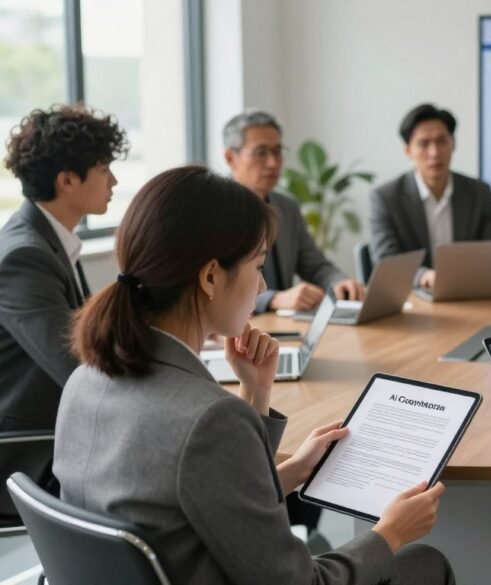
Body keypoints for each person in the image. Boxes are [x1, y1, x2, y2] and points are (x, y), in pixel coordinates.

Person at [53, 166, 454, 585]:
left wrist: (262, 404)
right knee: (423, 561)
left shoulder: (83, 380)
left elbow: (193, 499)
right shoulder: (210, 421)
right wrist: (389, 534)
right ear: (210, 276)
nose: (263, 285)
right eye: (258, 266)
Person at [0, 105, 126, 443]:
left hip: (66, 428)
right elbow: (78, 363)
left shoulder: (49, 238)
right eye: (104, 169)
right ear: (67, 179)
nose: (113, 181)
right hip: (34, 447)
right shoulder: (23, 257)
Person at [223, 109, 364, 313]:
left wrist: (340, 282)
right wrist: (273, 299)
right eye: (261, 152)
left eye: (277, 151)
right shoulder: (214, 210)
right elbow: (217, 285)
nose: (273, 163)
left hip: (283, 327)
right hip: (236, 329)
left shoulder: (287, 208)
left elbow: (315, 265)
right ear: (230, 158)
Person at [369, 103, 491, 289]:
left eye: (442, 141)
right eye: (424, 144)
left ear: (453, 143)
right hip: (414, 298)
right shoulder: (386, 198)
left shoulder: (479, 193)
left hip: (467, 293)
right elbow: (386, 261)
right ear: (408, 150)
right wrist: (425, 276)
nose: (434, 153)